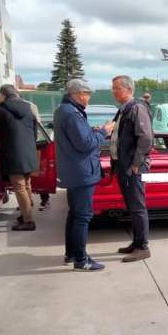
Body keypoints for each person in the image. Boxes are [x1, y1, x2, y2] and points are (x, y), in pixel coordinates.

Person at [53, 78, 114, 272]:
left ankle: (71, 253)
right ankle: (81, 259)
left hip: (74, 171)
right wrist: (103, 131)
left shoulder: (65, 111)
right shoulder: (72, 114)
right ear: (79, 95)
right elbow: (85, 144)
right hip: (81, 172)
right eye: (87, 95)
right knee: (83, 216)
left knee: (74, 214)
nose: (88, 99)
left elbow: (79, 138)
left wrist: (90, 131)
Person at [111, 75, 153, 262]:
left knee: (137, 207)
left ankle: (143, 247)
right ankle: (136, 242)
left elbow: (145, 139)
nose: (113, 92)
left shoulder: (137, 108)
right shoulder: (123, 110)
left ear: (127, 89)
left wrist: (136, 164)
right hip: (123, 166)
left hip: (132, 168)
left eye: (116, 88)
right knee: (132, 206)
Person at [0, 84, 39, 231]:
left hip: (13, 153)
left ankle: (28, 221)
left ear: (2, 95)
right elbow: (35, 133)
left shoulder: (1, 109)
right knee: (27, 183)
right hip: (29, 152)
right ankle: (25, 215)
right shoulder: (29, 108)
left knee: (19, 187)